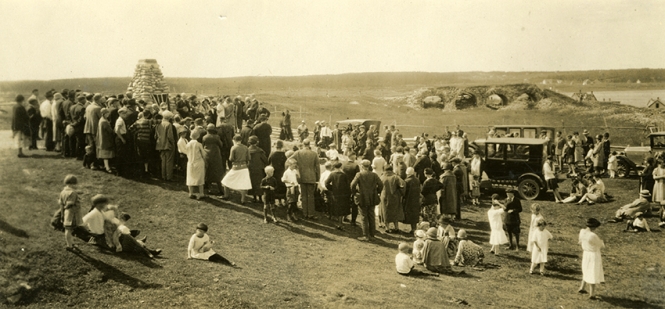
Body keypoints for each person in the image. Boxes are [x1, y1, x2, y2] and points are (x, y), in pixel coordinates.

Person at [351, 160, 383, 241]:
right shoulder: (374, 175)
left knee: (364, 216)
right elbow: (381, 184)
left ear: (362, 166)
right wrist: (377, 192)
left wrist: (355, 192)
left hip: (362, 197)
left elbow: (352, 185)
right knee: (371, 216)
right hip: (372, 197)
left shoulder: (359, 174)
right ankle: (372, 234)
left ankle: (365, 235)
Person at [291, 139, 320, 219]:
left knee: (303, 194)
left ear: (303, 144)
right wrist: (318, 177)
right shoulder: (314, 154)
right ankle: (310, 213)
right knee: (311, 195)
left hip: (302, 176)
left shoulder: (298, 153)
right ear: (309, 144)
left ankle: (304, 213)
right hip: (311, 176)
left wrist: (295, 167)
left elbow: (289, 159)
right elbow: (317, 167)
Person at [578, 218, 604, 300]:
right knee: (593, 272)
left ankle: (582, 287)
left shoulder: (582, 232)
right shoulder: (593, 235)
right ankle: (592, 295)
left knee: (586, 270)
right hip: (593, 255)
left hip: (586, 253)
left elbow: (580, 242)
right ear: (593, 227)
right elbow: (601, 245)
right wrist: (601, 242)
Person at [222, 135, 253, 204]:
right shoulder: (246, 147)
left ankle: (226, 195)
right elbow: (249, 158)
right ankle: (243, 200)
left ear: (234, 140)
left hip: (236, 167)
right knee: (244, 184)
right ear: (241, 140)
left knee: (225, 181)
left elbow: (231, 158)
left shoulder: (233, 147)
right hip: (244, 167)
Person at [325, 161, 352, 230]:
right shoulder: (344, 175)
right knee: (342, 208)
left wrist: (332, 189)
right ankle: (340, 222)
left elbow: (326, 183)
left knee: (336, 207)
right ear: (340, 167)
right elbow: (348, 185)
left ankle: (338, 222)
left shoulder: (332, 174)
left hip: (335, 193)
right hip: (343, 194)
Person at [59, 175, 82, 250]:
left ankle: (70, 243)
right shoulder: (73, 193)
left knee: (68, 229)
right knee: (68, 229)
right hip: (72, 214)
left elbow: (61, 204)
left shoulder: (62, 192)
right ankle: (69, 246)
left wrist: (62, 213)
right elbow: (70, 203)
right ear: (72, 183)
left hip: (66, 213)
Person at [380, 165, 406, 233]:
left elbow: (378, 186)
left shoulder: (382, 177)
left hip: (384, 196)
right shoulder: (396, 177)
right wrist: (401, 193)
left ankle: (387, 227)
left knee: (385, 211)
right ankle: (396, 227)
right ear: (391, 170)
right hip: (394, 197)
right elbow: (402, 185)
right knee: (395, 211)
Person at [202, 124, 225, 195]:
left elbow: (203, 145)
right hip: (216, 155)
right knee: (217, 171)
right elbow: (221, 145)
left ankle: (207, 188)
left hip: (207, 155)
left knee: (208, 171)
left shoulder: (204, 137)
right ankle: (220, 189)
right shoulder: (216, 137)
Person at [155, 111, 177, 181]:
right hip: (168, 145)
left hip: (160, 145)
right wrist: (173, 143)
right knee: (169, 161)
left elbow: (155, 136)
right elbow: (170, 136)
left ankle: (163, 176)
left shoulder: (158, 124)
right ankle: (169, 177)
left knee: (163, 161)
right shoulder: (168, 124)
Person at [185, 129, 207, 200]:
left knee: (190, 177)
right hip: (198, 162)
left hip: (190, 162)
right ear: (198, 136)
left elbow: (186, 153)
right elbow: (204, 154)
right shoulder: (199, 144)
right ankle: (201, 193)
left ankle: (190, 193)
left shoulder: (187, 144)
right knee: (200, 177)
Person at [248, 136, 268, 203]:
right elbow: (265, 160)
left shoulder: (247, 150)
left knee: (252, 182)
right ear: (257, 142)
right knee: (259, 182)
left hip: (250, 169)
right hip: (259, 169)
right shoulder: (260, 151)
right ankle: (260, 197)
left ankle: (254, 197)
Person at [268, 140, 287, 207]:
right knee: (282, 186)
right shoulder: (284, 154)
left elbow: (269, 161)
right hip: (282, 171)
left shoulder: (273, 154)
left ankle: (277, 201)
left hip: (275, 172)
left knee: (276, 185)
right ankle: (283, 200)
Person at [96, 108, 115, 173]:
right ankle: (107, 167)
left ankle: (106, 166)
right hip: (106, 139)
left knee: (105, 154)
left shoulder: (101, 120)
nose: (108, 115)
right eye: (107, 113)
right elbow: (110, 131)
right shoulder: (104, 122)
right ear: (103, 114)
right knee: (106, 155)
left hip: (102, 139)